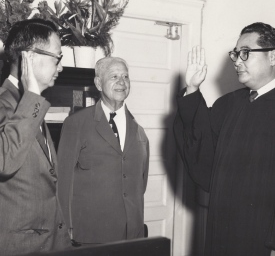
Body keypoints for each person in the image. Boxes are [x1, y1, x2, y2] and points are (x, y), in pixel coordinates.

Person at [173, 22, 275, 256]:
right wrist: (192, 89)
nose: (237, 61)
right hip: (222, 229)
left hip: (262, 238)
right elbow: (201, 150)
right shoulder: (229, 104)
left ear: (272, 57)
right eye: (236, 54)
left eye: (245, 53)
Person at [57, 57, 150, 245]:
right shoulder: (77, 123)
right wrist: (66, 230)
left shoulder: (139, 131)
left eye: (125, 76)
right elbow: (62, 182)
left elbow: (141, 183)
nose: (121, 82)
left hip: (131, 237)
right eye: (114, 76)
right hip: (90, 236)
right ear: (98, 83)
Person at [0, 18, 71, 255]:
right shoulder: (4, 103)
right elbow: (5, 162)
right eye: (57, 57)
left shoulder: (32, 103)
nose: (60, 67)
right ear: (29, 57)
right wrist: (31, 93)